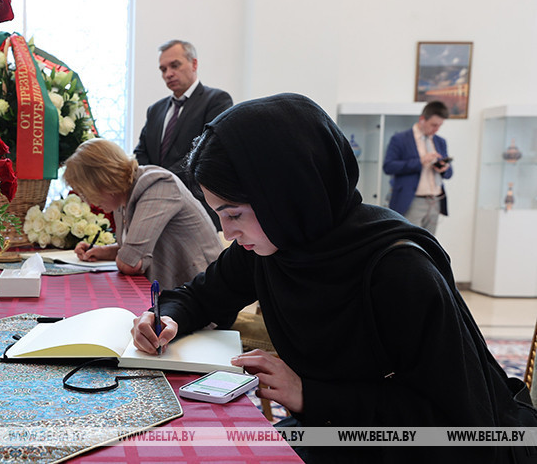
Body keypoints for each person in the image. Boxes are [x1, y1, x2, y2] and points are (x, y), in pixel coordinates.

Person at [130, 94, 536, 463]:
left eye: (233, 214)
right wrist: (166, 317)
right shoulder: (277, 243)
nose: (226, 233)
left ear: (285, 194)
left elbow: (454, 421)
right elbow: (201, 296)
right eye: (219, 214)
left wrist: (309, 394)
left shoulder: (398, 270)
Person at [63, 138, 222, 290]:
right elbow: (132, 250)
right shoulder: (122, 195)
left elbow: (131, 263)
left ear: (102, 180)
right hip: (176, 291)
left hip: (203, 296)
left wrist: (124, 255)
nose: (86, 200)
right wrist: (101, 251)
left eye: (85, 192)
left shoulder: (158, 185)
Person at [133, 39, 233, 230]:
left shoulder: (217, 101)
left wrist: (160, 180)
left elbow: (206, 151)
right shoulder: (155, 110)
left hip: (196, 207)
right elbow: (141, 153)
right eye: (163, 69)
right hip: (155, 208)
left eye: (175, 65)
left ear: (194, 63)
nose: (168, 74)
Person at [382, 101, 453, 234]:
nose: (436, 129)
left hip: (435, 201)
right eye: (434, 125)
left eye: (440, 126)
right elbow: (388, 166)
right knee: (410, 242)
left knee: (429, 245)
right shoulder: (400, 139)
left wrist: (444, 168)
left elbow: (449, 174)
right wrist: (420, 161)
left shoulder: (440, 141)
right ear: (422, 120)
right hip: (412, 200)